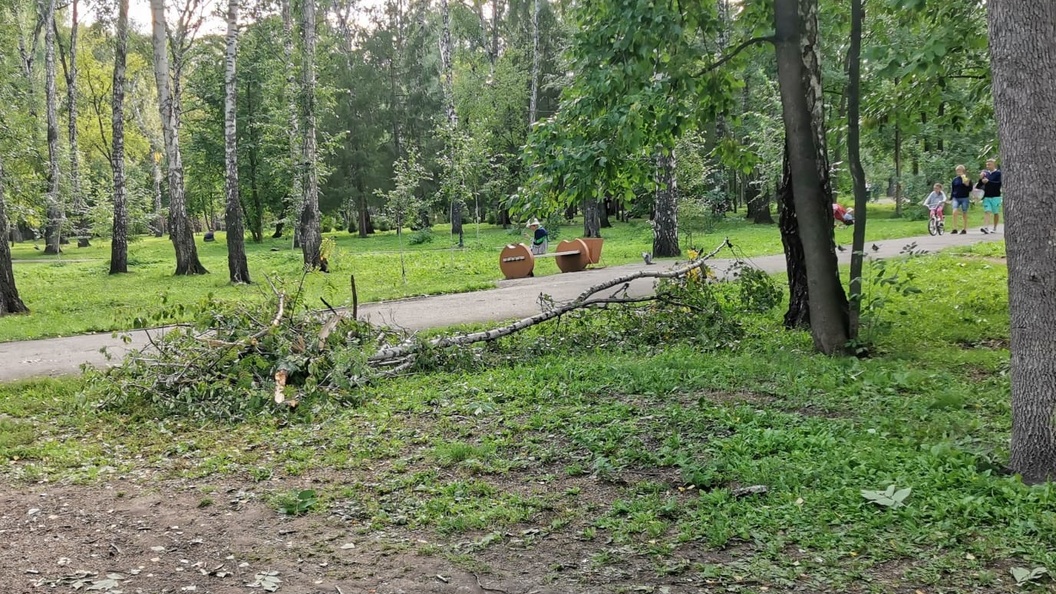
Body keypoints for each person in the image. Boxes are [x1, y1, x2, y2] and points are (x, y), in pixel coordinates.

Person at [978, 158, 1002, 234]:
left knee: (995, 212)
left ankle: (994, 227)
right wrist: (981, 179)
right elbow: (979, 185)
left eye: (989, 164)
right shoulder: (985, 174)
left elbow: (999, 184)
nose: (987, 166)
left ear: (994, 164)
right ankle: (986, 227)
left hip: (996, 196)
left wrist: (989, 182)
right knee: (987, 211)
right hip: (986, 196)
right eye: (987, 164)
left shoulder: (998, 173)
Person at [950, 165, 972, 234]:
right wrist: (951, 198)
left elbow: (970, 189)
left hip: (964, 197)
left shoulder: (967, 179)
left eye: (959, 170)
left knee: (964, 212)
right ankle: (954, 228)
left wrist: (966, 183)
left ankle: (964, 228)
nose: (958, 171)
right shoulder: (955, 180)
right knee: (954, 211)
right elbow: (953, 189)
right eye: (957, 170)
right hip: (956, 198)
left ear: (963, 171)